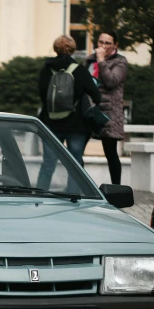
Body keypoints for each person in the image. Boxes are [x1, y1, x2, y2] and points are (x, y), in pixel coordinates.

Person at [37, 34, 101, 191]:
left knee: (48, 164)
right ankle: (74, 198)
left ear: (55, 49)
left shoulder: (46, 70)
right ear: (73, 50)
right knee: (75, 164)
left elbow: (42, 95)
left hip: (50, 125)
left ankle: (39, 195)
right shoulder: (80, 71)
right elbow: (97, 96)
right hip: (77, 126)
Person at [85, 30, 128, 184]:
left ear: (115, 45)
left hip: (108, 114)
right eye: (101, 42)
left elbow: (111, 82)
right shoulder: (90, 60)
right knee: (76, 151)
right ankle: (83, 187)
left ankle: (116, 188)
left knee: (110, 153)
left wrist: (102, 61)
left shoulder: (120, 62)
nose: (103, 46)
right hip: (90, 111)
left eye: (107, 43)